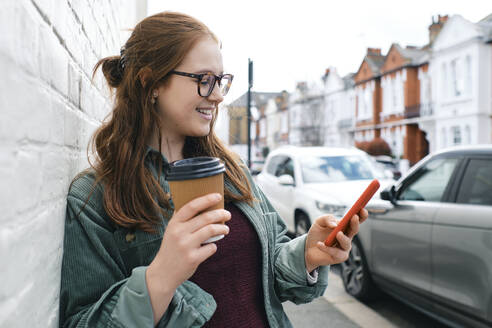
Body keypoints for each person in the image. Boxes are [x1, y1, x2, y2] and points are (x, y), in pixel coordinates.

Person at [59, 11, 368, 328]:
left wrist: (308, 254)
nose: (219, 95)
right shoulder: (96, 197)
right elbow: (81, 322)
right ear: (149, 81)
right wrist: (161, 277)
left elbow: (265, 273)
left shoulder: (232, 169)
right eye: (204, 80)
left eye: (221, 81)